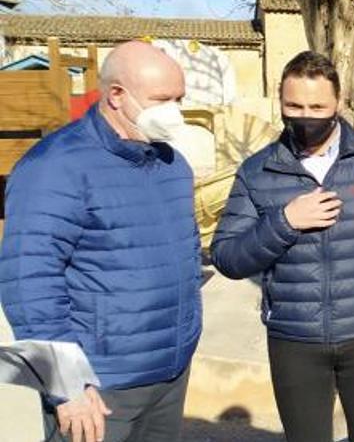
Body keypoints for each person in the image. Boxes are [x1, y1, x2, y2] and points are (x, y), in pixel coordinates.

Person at [211, 51, 354, 442]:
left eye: (318, 106)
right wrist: (284, 222)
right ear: (280, 103)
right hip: (294, 340)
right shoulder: (258, 171)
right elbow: (227, 257)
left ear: (339, 103)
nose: (306, 116)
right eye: (294, 106)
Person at [0, 41, 202, 442]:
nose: (174, 111)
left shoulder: (171, 164)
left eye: (180, 98)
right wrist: (66, 384)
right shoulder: (55, 166)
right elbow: (29, 281)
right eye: (163, 99)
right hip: (98, 384)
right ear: (116, 95)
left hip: (168, 372)